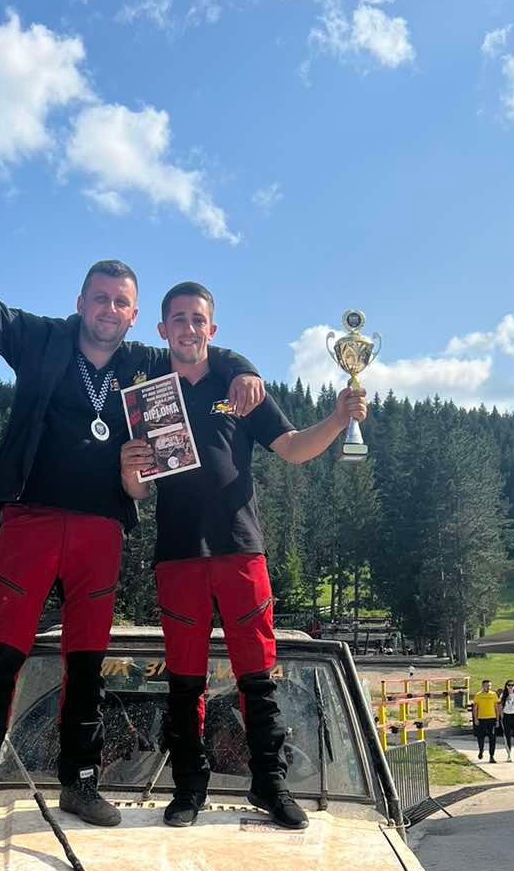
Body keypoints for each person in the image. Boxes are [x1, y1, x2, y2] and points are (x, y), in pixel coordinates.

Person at [0, 237, 264, 836]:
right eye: (100, 298)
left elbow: (198, 347)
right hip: (31, 519)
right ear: (81, 302)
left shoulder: (143, 362)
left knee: (87, 659)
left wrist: (242, 368)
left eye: (121, 302)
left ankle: (79, 780)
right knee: (3, 653)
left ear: (134, 315)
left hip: (101, 528)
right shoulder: (41, 339)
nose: (109, 309)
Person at [121, 281, 367, 829]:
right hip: (178, 553)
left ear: (212, 328)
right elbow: (138, 491)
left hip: (240, 548)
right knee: (185, 680)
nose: (189, 328)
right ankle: (188, 788)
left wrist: (336, 417)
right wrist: (128, 471)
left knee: (257, 675)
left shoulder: (240, 388)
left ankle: (269, 784)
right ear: (162, 330)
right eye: (178, 319)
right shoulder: (147, 392)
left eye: (198, 319)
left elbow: (294, 449)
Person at [471, 679, 500, 762]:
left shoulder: (493, 694)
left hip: (492, 719)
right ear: (483, 686)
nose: (488, 687)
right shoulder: (478, 695)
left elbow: (496, 708)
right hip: (481, 719)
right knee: (481, 737)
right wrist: (475, 719)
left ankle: (491, 756)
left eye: (489, 686)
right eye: (486, 686)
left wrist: (497, 720)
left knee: (492, 738)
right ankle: (481, 749)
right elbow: (475, 708)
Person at [499, 678, 514, 762]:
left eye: (512, 685)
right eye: (509, 685)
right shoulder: (503, 695)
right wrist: (502, 717)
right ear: (506, 686)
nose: (510, 687)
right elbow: (500, 707)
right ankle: (509, 754)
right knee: (507, 735)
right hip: (507, 716)